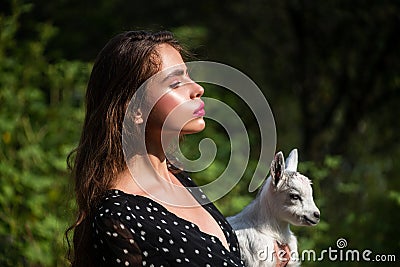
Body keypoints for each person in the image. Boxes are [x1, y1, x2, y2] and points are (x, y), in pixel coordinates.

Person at [66, 30, 245, 267]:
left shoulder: (179, 178)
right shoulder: (118, 217)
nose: (197, 89)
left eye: (188, 76)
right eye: (176, 82)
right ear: (135, 109)